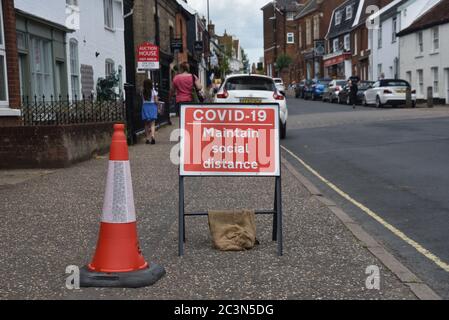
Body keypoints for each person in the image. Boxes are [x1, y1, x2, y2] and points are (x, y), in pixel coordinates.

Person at [141, 79, 158, 145]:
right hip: (152, 106)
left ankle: (147, 138)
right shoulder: (154, 91)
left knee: (146, 124)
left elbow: (142, 99)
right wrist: (158, 105)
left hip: (145, 107)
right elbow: (156, 101)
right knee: (152, 124)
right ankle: (153, 136)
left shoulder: (142, 91)